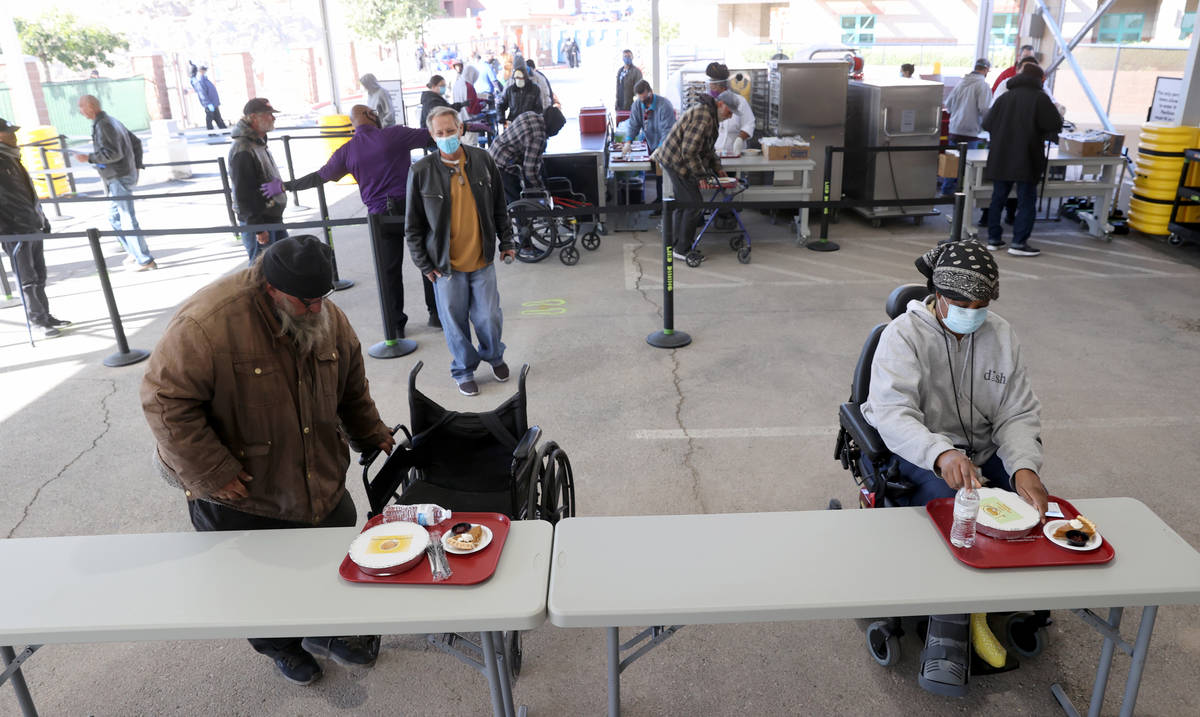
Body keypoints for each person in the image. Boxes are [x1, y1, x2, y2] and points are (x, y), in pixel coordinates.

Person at [141, 235, 394, 687]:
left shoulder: (324, 313)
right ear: (271, 288)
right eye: (306, 302)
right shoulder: (208, 322)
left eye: (323, 298)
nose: (318, 310)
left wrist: (371, 433)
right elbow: (164, 401)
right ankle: (281, 646)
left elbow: (351, 383)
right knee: (254, 584)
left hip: (314, 469)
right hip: (241, 489)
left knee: (333, 544)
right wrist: (211, 472)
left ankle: (325, 630)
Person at [861, 239, 1049, 697]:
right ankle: (950, 626)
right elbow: (891, 413)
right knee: (956, 513)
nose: (972, 312)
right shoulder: (902, 336)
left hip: (983, 451)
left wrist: (1024, 467)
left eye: (981, 304)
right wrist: (940, 453)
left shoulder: (1001, 335)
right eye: (961, 303)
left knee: (1029, 512)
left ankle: (1009, 600)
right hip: (922, 452)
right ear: (939, 296)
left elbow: (1017, 414)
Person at [265, 104, 438, 335]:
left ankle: (395, 326)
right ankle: (436, 315)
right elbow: (435, 135)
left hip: (379, 218)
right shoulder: (395, 134)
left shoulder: (347, 151)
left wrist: (286, 186)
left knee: (388, 272)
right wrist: (466, 126)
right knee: (426, 261)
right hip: (410, 209)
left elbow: (320, 177)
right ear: (370, 116)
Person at [406, 106, 517, 397]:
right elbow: (413, 225)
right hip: (445, 266)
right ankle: (464, 370)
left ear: (461, 129)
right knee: (454, 323)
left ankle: (494, 356)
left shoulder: (482, 160)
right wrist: (423, 263)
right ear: (431, 135)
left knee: (488, 317)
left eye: (450, 131)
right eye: (439, 133)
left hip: (481, 259)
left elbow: (498, 207)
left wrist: (507, 242)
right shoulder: (421, 171)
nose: (446, 137)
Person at [980, 64, 1063, 257]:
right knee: (1026, 201)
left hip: (1001, 157)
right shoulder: (1040, 99)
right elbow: (1055, 124)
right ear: (1039, 79)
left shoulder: (1004, 98)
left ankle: (993, 239)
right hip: (1027, 157)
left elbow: (986, 123)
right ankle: (1018, 243)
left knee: (998, 199)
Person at [0, 117, 71, 338]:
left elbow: (29, 193)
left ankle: (45, 315)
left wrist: (42, 219)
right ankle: (37, 320)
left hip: (32, 225)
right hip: (14, 231)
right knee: (27, 279)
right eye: (7, 132)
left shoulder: (12, 157)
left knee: (39, 274)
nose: (13, 135)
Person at [73, 95, 156, 271]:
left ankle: (144, 260)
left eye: (81, 106)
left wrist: (88, 158)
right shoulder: (110, 122)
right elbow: (136, 143)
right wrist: (136, 167)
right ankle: (135, 253)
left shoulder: (105, 124)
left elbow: (113, 153)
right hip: (118, 176)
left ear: (90, 107)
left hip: (118, 176)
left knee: (126, 217)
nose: (79, 110)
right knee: (114, 216)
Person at [652, 92, 734, 261]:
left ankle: (675, 244)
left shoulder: (710, 115)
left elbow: (707, 148)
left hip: (676, 160)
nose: (731, 115)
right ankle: (682, 248)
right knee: (694, 204)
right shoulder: (704, 117)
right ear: (720, 104)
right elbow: (689, 152)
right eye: (729, 110)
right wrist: (701, 176)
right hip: (676, 162)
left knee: (684, 203)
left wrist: (718, 168)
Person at [229, 97, 288, 264]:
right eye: (269, 114)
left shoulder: (257, 143)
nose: (273, 118)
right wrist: (258, 228)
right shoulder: (243, 149)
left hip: (272, 215)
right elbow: (243, 194)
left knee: (280, 264)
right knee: (261, 271)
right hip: (261, 219)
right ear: (254, 117)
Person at [489, 105, 567, 209]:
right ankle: (523, 224)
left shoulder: (530, 114)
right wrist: (541, 188)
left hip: (493, 153)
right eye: (558, 129)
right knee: (516, 200)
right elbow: (530, 170)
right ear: (553, 126)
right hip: (502, 164)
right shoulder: (538, 136)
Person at [939, 58, 992, 195]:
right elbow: (985, 109)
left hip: (954, 129)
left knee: (952, 162)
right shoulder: (983, 85)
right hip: (971, 132)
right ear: (986, 70)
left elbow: (948, 106)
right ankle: (964, 194)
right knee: (969, 165)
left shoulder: (961, 83)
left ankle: (947, 190)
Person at [625, 80, 676, 208]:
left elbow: (667, 131)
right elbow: (634, 124)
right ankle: (660, 201)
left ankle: (666, 204)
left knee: (666, 175)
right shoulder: (637, 105)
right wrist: (628, 141)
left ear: (650, 92)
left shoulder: (664, 105)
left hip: (667, 145)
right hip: (652, 142)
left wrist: (659, 148)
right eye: (640, 98)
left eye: (645, 98)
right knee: (658, 174)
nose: (643, 102)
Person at [705, 63, 755, 153]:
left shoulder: (739, 101)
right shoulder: (707, 104)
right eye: (711, 83)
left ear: (722, 85)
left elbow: (749, 124)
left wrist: (739, 139)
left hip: (735, 151)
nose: (712, 87)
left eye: (714, 84)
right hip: (713, 153)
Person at [453, 65, 485, 146]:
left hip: (459, 121)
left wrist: (481, 100)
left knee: (463, 147)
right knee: (471, 147)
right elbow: (472, 109)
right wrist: (482, 106)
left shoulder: (457, 83)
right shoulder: (469, 87)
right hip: (469, 123)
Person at [190, 64, 226, 130]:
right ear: (199, 71)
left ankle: (224, 130)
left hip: (214, 103)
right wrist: (208, 103)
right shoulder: (200, 81)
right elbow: (202, 94)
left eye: (205, 70)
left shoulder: (205, 80)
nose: (204, 72)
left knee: (218, 117)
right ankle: (211, 132)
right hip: (209, 104)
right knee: (210, 118)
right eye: (203, 70)